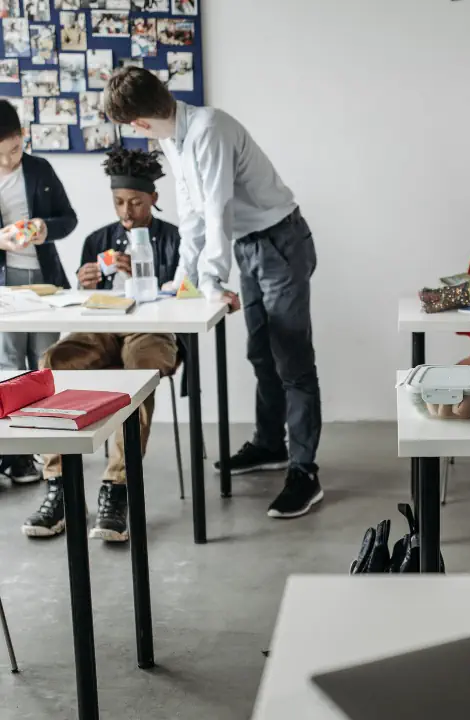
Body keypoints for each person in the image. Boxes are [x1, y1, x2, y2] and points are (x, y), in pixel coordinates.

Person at [104, 67, 324, 519]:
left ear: (139, 123)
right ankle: (270, 445)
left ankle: (305, 472)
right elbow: (192, 215)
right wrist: (184, 280)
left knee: (292, 360)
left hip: (279, 241)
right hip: (249, 245)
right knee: (261, 353)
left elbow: (217, 208)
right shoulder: (173, 137)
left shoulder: (209, 129)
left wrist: (210, 280)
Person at [22, 148, 180, 542]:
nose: (126, 211)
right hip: (101, 325)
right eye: (119, 202)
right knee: (54, 361)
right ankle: (58, 483)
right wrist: (85, 281)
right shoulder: (97, 239)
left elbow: (185, 294)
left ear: (153, 200)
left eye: (136, 203)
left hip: (152, 328)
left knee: (139, 376)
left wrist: (149, 275)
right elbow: (80, 304)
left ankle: (118, 488)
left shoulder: (174, 238)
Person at [0, 99, 77, 486]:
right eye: (1, 156)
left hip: (45, 283)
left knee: (45, 362)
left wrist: (45, 228)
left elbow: (69, 219)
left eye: (14, 150)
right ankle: (16, 456)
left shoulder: (40, 169)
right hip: (5, 285)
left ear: (22, 137)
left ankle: (52, 455)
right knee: (9, 366)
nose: (10, 161)